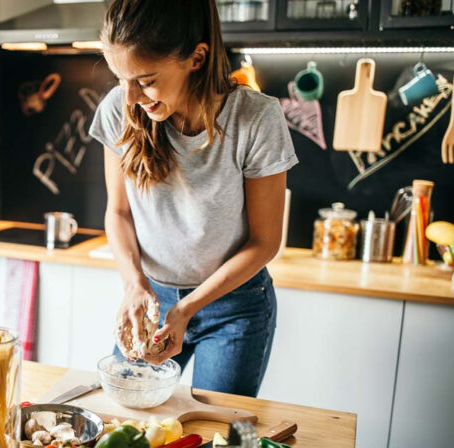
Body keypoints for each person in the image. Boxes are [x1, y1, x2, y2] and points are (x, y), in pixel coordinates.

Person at [88, 0, 298, 397]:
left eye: (145, 80)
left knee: (215, 425)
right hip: (152, 298)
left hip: (234, 307)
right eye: (120, 79)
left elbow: (265, 241)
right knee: (126, 410)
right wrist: (134, 285)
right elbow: (118, 212)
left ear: (196, 58)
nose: (129, 97)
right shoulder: (119, 110)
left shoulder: (255, 119)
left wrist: (186, 308)